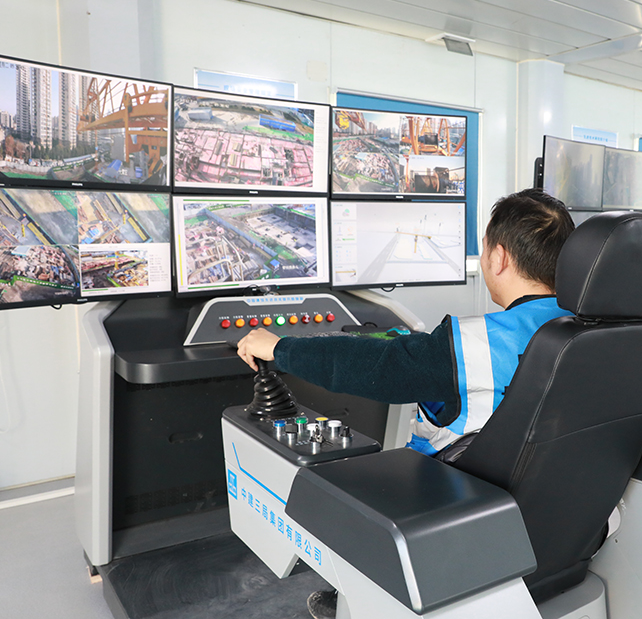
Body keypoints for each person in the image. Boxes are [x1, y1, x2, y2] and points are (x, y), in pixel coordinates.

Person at [236, 188, 576, 619]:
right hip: (560, 512)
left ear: (499, 258)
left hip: (465, 510)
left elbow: (374, 367)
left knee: (343, 478)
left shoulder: (472, 343)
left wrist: (279, 348)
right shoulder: (590, 331)